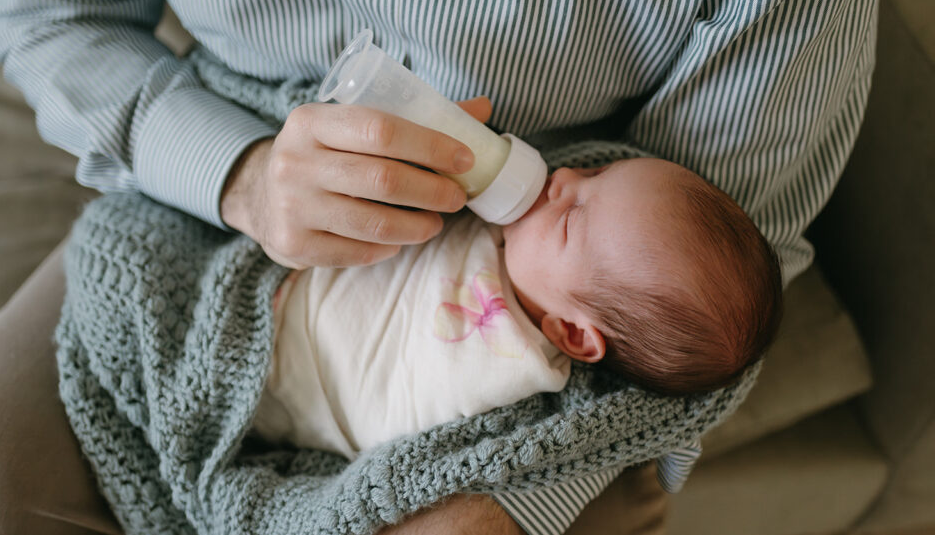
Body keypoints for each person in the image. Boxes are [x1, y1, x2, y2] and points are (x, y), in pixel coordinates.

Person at [0, 0, 896, 534]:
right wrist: (239, 170)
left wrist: (499, 501)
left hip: (583, 322)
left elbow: (711, 247)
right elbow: (52, 10)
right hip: (222, 166)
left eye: (572, 202)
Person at [253, 157, 782, 459]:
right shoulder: (513, 243)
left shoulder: (503, 381)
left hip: (280, 391)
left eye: (572, 217)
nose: (565, 177)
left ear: (573, 335)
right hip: (273, 282)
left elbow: (403, 450)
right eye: (599, 170)